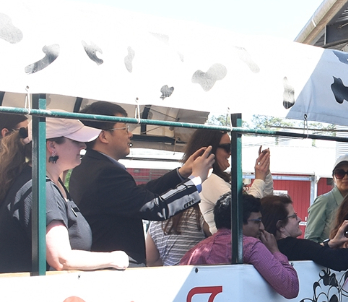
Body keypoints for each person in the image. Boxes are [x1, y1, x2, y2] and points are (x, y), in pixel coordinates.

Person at [68, 101, 214, 265]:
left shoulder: (89, 167)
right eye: (124, 129)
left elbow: (139, 196)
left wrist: (181, 174)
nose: (130, 134)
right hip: (114, 267)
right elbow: (153, 207)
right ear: (103, 136)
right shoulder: (105, 173)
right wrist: (196, 181)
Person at [0, 118, 128, 273]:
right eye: (76, 141)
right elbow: (61, 258)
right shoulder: (41, 187)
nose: (83, 145)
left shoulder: (40, 181)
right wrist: (115, 258)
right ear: (52, 146)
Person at [180, 193, 298, 299]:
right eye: (257, 221)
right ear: (238, 223)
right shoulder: (251, 246)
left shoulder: (197, 250)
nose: (262, 227)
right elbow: (290, 288)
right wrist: (274, 250)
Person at [144, 131, 224, 266]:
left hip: (169, 279)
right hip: (198, 278)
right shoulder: (201, 215)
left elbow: (151, 259)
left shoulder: (156, 221)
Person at [259, 194, 348, 271]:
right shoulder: (295, 246)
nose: (299, 219)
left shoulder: (262, 247)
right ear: (280, 226)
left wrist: (329, 244)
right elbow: (341, 261)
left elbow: (311, 252)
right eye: (294, 216)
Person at [196, 129, 273, 232]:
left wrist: (265, 175)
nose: (231, 152)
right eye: (227, 147)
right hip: (230, 245)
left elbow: (265, 203)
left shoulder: (215, 179)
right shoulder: (209, 179)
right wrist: (259, 179)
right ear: (209, 150)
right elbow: (245, 209)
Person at [304, 153, 348, 243]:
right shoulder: (324, 201)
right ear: (333, 177)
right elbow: (310, 240)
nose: (346, 177)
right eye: (340, 173)